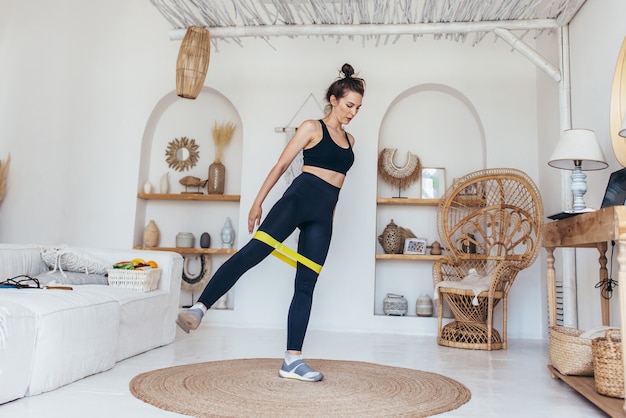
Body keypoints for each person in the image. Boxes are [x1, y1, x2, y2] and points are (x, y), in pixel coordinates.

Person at [176, 63, 365, 382]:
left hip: (323, 216)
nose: (353, 112)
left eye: (358, 108)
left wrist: (330, 217)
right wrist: (257, 202)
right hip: (297, 200)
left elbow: (338, 184)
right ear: (333, 99)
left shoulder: (351, 140)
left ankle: (292, 360)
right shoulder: (311, 127)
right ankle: (199, 309)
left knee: (306, 284)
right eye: (349, 105)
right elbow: (281, 166)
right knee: (252, 254)